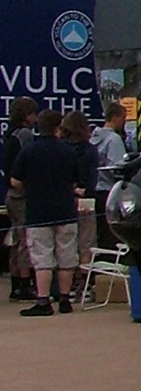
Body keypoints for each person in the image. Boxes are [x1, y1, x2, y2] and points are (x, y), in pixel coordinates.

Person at [9, 109, 95, 316]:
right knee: (66, 255)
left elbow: (15, 180)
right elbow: (76, 180)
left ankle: (43, 300)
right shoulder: (68, 152)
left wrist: (31, 189)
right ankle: (65, 299)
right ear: (58, 127)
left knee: (42, 257)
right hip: (65, 209)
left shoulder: (29, 151)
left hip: (38, 211)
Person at [4, 97, 39, 300]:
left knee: (16, 239)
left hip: (10, 194)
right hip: (22, 194)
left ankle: (16, 282)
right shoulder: (25, 135)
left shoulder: (10, 135)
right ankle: (26, 283)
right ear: (27, 116)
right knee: (26, 240)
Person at [61, 112, 98, 290]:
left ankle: (69, 281)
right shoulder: (90, 150)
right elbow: (93, 179)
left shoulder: (61, 149)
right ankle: (86, 283)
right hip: (87, 199)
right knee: (87, 242)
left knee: (67, 243)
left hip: (65, 199)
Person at [90, 103, 129, 249]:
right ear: (115, 117)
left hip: (95, 189)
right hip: (109, 190)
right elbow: (118, 167)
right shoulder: (114, 139)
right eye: (123, 118)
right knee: (110, 234)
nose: (124, 122)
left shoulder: (93, 137)